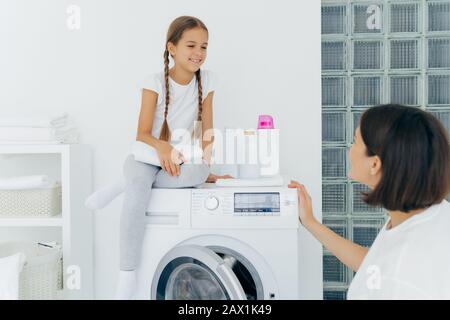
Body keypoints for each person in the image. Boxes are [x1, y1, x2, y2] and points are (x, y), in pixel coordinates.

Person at [116, 16, 230, 299]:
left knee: (198, 172)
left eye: (204, 47)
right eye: (191, 45)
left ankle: (131, 182)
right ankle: (126, 276)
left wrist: (206, 168)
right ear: (172, 48)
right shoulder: (153, 82)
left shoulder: (209, 80)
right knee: (137, 190)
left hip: (177, 160)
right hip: (147, 154)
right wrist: (162, 148)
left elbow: (207, 131)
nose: (198, 53)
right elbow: (142, 134)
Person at [289, 104, 450, 299]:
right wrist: (311, 223)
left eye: (355, 141)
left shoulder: (399, 279)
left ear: (374, 163)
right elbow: (375, 265)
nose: (350, 149)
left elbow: (391, 273)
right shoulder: (430, 213)